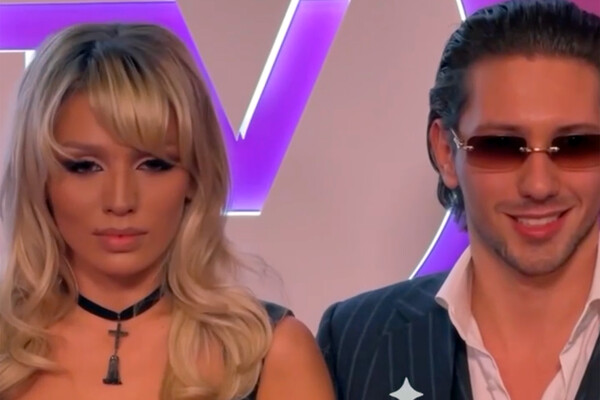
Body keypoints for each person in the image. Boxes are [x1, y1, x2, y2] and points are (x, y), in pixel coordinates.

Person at [0, 23, 334, 400]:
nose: (120, 200)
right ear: (39, 178)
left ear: (194, 176)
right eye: (85, 166)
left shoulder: (270, 355)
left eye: (153, 164)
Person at [317, 0, 600, 399]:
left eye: (574, 145)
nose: (539, 185)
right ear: (446, 152)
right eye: (501, 146)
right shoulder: (355, 344)